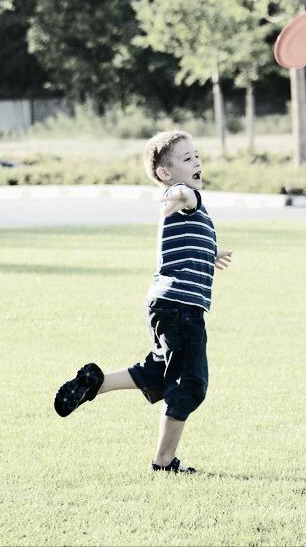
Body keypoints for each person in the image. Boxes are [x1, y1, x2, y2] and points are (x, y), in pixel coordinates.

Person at [53, 130, 232, 474]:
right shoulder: (184, 195)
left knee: (157, 370)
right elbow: (182, 195)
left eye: (196, 156)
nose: (197, 162)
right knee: (190, 385)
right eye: (187, 159)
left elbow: (186, 241)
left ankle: (95, 382)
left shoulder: (192, 205)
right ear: (166, 173)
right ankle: (164, 462)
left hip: (165, 304)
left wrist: (212, 252)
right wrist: (179, 193)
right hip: (181, 309)